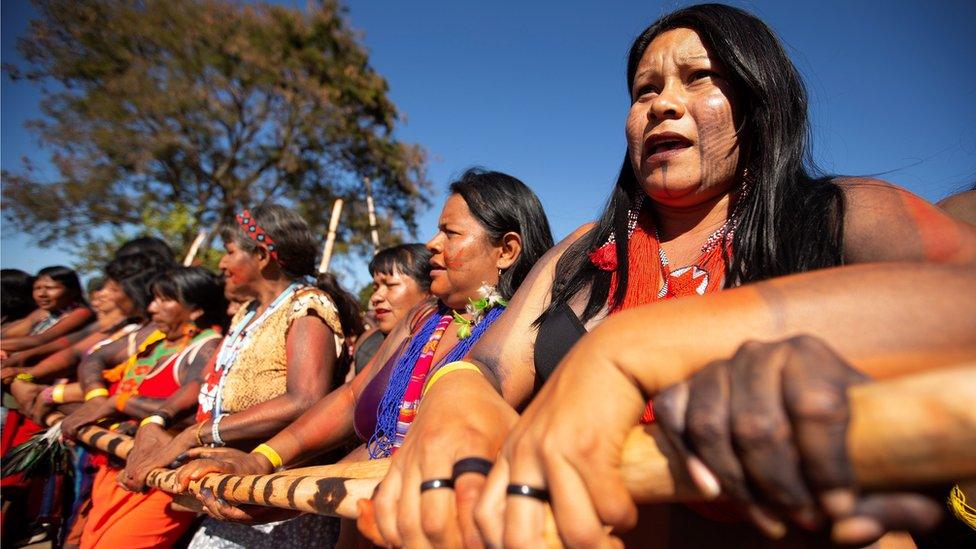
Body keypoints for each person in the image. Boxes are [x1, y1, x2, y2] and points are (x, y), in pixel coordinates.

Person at [360, 5, 976, 548]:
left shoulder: (843, 212)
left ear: (760, 102)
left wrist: (634, 347)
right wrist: (456, 398)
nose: (663, 104)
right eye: (644, 89)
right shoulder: (582, 250)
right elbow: (491, 369)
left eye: (699, 77)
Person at [162, 168, 553, 546]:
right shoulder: (424, 317)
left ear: (506, 250)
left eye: (450, 233)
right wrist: (267, 465)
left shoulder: (530, 336)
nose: (432, 243)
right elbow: (357, 406)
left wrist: (292, 494)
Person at [116, 205, 353, 548]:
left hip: (270, 492)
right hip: (226, 482)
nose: (222, 265)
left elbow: (304, 399)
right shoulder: (248, 311)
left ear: (260, 255)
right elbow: (206, 383)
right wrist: (158, 419)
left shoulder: (308, 305)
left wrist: (193, 436)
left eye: (229, 253)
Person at [52, 267, 226, 548]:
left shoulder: (207, 347)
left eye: (164, 299)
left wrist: (118, 402)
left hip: (163, 480)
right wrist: (98, 397)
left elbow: (196, 409)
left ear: (195, 310)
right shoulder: (155, 341)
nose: (151, 308)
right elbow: (93, 359)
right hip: (118, 464)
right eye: (153, 298)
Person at [353, 243, 434, 374]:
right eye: (375, 288)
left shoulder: (445, 349)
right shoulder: (366, 342)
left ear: (430, 291)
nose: (375, 297)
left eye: (390, 285)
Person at [1, 266, 93, 352]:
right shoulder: (43, 312)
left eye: (50, 288)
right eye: (37, 288)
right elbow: (8, 334)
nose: (41, 294)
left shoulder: (81, 313)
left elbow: (38, 341)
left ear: (73, 291)